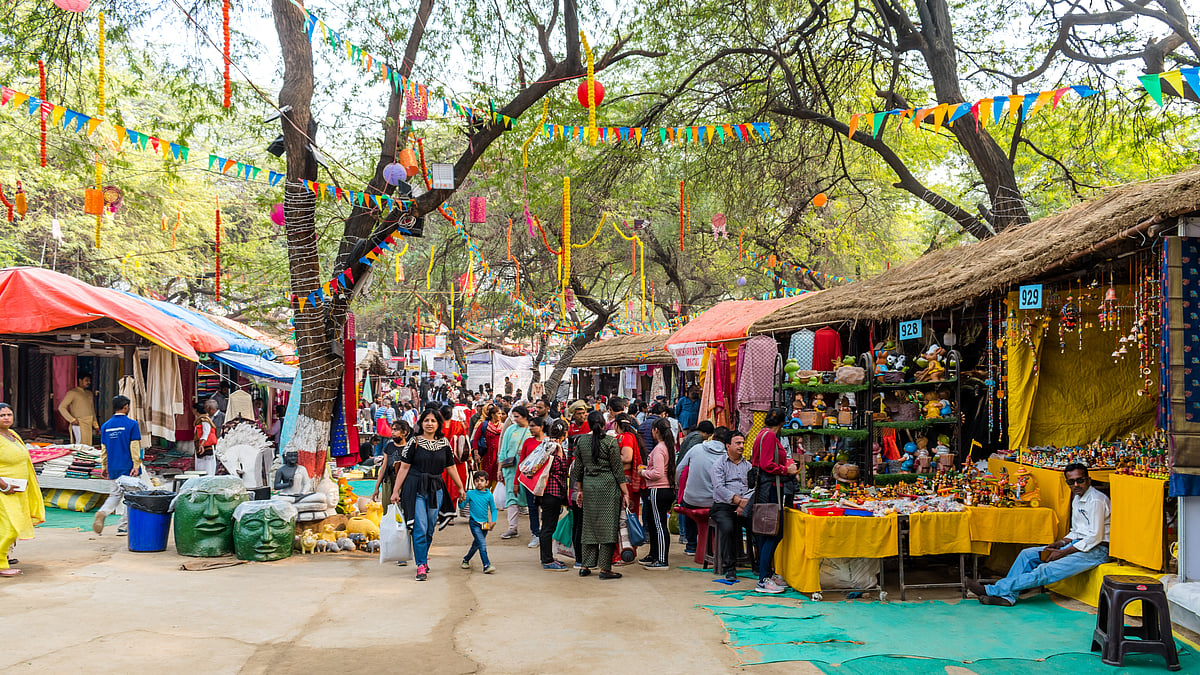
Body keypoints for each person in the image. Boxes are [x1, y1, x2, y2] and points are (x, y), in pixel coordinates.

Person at [966, 463, 1111, 606]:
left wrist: (1063, 553)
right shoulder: (1077, 498)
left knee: (1045, 570)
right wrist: (1060, 543)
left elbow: (1095, 537)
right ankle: (1008, 597)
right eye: (1071, 482)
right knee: (1027, 555)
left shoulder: (1096, 500)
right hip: (1076, 545)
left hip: (1095, 550)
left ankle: (991, 590)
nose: (1076, 485)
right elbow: (1077, 531)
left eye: (1080, 480)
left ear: (1089, 480)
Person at [390, 409, 464, 581]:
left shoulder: (444, 443)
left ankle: (423, 556)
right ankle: (421, 564)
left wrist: (460, 487)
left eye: (433, 421)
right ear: (421, 423)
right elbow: (404, 467)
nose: (429, 423)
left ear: (438, 424)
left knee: (430, 527)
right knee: (420, 527)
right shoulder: (413, 442)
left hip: (436, 488)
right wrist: (395, 491)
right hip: (414, 488)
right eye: (426, 420)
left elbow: (451, 467)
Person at [569, 411, 632, 579]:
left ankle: (585, 565)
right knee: (608, 528)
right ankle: (605, 568)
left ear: (588, 425)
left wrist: (580, 490)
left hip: (589, 487)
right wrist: (625, 493)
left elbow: (578, 470)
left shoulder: (581, 441)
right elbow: (618, 470)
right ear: (604, 424)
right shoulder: (610, 442)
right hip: (609, 488)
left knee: (588, 526)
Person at [751, 408, 797, 594]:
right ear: (782, 423)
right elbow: (766, 464)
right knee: (773, 532)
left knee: (767, 532)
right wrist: (787, 470)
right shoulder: (769, 436)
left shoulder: (762, 434)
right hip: (770, 488)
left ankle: (767, 574)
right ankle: (763, 579)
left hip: (766, 488)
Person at [0, 403, 44, 577]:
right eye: (2, 415)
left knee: (9, 525)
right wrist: (4, 485)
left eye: (9, 414)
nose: (6, 418)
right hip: (4, 490)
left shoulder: (12, 434)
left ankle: (4, 556)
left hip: (17, 489)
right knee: (10, 526)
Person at [93, 395, 144, 536]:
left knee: (115, 495)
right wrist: (136, 465)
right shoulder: (132, 424)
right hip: (128, 467)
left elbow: (104, 450)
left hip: (113, 467)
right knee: (130, 496)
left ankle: (103, 512)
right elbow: (134, 447)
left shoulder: (105, 426)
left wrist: (104, 466)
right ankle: (123, 527)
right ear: (126, 407)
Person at [710, 429, 753, 582]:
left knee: (759, 525)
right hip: (723, 506)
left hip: (744, 505)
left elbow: (752, 488)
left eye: (743, 443)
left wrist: (744, 503)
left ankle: (759, 565)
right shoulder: (719, 465)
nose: (741, 446)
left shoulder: (747, 465)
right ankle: (730, 568)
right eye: (738, 443)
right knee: (727, 528)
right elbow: (719, 488)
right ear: (728, 446)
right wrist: (738, 501)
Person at [675, 423, 725, 555]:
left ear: (712, 436)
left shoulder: (697, 448)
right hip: (713, 502)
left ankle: (691, 545)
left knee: (689, 505)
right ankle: (716, 544)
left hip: (691, 498)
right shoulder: (726, 456)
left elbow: (680, 469)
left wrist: (678, 485)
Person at [528, 419, 570, 571]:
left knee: (547, 526)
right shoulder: (554, 447)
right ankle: (547, 560)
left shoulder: (545, 444)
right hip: (551, 492)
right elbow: (559, 468)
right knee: (548, 527)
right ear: (564, 433)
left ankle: (548, 557)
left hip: (544, 491)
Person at [638, 417, 677, 569]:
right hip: (665, 489)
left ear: (655, 431)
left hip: (658, 489)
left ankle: (661, 560)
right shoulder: (667, 447)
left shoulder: (660, 449)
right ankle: (654, 555)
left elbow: (658, 473)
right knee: (655, 524)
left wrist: (643, 473)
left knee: (660, 525)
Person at [498, 406, 532, 540]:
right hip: (511, 470)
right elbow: (503, 450)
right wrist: (499, 469)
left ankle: (537, 529)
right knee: (511, 497)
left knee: (533, 499)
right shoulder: (510, 430)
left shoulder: (533, 429)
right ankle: (512, 528)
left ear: (525, 416)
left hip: (529, 471)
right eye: (514, 416)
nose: (515, 419)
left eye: (517, 416)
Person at [369, 421, 411, 515]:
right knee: (387, 510)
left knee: (401, 510)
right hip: (388, 481)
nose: (392, 432)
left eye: (396, 430)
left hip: (403, 482)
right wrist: (376, 488)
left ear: (404, 432)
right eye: (392, 429)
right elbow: (383, 468)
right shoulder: (389, 446)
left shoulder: (409, 448)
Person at [519, 416, 548, 549]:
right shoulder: (527, 442)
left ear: (541, 427)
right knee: (532, 507)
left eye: (533, 426)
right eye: (529, 426)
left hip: (545, 481)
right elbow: (522, 462)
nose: (530, 428)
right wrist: (516, 482)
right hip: (529, 481)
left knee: (546, 508)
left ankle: (546, 534)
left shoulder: (549, 442)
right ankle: (535, 533)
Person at [461, 470, 497, 573]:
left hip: (485, 524)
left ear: (486, 482)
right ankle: (486, 565)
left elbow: (493, 509)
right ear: (474, 482)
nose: (479, 483)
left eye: (482, 480)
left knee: (476, 544)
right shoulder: (470, 493)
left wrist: (493, 521)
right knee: (482, 543)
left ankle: (466, 559)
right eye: (476, 481)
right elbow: (463, 506)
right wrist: (460, 501)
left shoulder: (489, 495)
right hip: (474, 523)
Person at [57, 372, 98, 446]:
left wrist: (96, 425)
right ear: (80, 380)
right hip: (79, 423)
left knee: (88, 445)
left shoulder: (89, 394)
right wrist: (72, 420)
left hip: (89, 423)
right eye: (86, 380)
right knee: (80, 445)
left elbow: (92, 411)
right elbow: (61, 407)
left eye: (89, 381)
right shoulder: (72, 393)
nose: (89, 382)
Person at [195, 400, 220, 474]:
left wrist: (202, 444)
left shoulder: (204, 420)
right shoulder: (204, 419)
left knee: (206, 466)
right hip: (204, 445)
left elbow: (206, 432)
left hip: (206, 445)